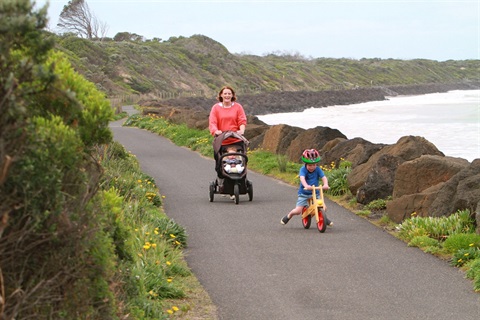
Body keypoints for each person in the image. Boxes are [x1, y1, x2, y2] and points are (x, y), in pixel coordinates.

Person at [280, 149, 333, 226]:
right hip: (304, 193)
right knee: (298, 211)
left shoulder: (318, 169)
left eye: (314, 165)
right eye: (310, 165)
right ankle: (289, 215)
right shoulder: (303, 169)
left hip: (315, 192)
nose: (312, 167)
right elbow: (302, 178)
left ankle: (322, 217)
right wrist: (306, 186)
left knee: (323, 207)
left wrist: (325, 184)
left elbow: (323, 177)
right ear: (305, 164)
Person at [209, 86, 247, 181]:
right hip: (222, 139)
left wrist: (241, 130)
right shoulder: (216, 108)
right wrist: (215, 131)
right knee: (219, 160)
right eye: (225, 93)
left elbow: (242, 120)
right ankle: (221, 177)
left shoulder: (238, 107)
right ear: (221, 95)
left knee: (241, 159)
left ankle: (241, 178)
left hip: (235, 138)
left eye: (229, 93)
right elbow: (212, 122)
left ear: (232, 95)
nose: (227, 95)